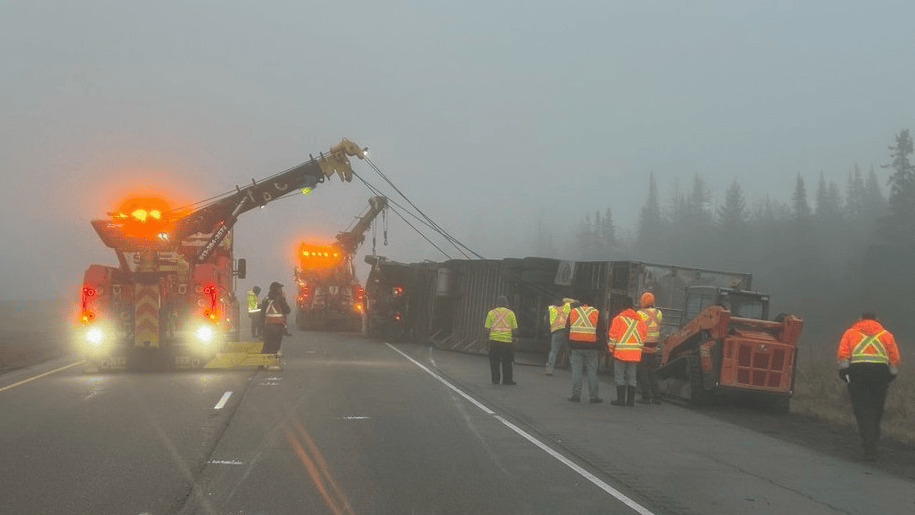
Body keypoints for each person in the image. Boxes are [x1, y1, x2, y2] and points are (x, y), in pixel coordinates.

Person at [836, 312, 901, 461]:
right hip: (880, 375)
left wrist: (844, 374)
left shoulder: (850, 333)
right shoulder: (886, 335)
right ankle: (873, 442)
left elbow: (843, 355)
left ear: (860, 319)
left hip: (857, 374)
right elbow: (894, 359)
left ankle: (868, 445)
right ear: (877, 320)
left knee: (862, 410)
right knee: (877, 409)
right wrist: (891, 376)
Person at [608, 298, 647, 407]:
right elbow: (643, 338)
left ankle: (620, 400)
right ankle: (630, 401)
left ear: (622, 308)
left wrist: (611, 350)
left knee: (620, 375)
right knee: (632, 376)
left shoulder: (618, 319)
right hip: (635, 354)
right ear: (632, 307)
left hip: (620, 353)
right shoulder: (640, 321)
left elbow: (613, 337)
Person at [566, 298, 602, 403]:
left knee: (576, 371)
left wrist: (568, 344)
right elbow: (601, 330)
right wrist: (600, 347)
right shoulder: (596, 312)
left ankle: (576, 395)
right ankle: (593, 396)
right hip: (591, 346)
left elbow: (567, 328)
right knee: (592, 371)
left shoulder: (573, 312)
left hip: (576, 345)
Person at [484, 295, 519, 385]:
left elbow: (486, 329)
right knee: (507, 361)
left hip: (494, 341)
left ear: (497, 304)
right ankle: (507, 380)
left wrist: (486, 339)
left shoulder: (491, 313)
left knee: (494, 361)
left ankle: (495, 379)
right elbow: (515, 329)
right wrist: (514, 338)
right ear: (506, 304)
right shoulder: (511, 313)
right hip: (507, 342)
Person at [636, 291, 663, 404]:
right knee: (653, 373)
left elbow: (637, 330)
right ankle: (657, 397)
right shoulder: (659, 313)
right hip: (654, 348)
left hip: (643, 348)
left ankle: (646, 397)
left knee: (643, 373)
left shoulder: (639, 314)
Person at [259, 282, 290, 368]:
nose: (281, 290)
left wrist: (261, 328)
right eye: (280, 288)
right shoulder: (280, 299)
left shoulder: (266, 299)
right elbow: (287, 310)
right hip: (278, 326)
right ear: (277, 289)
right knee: (275, 345)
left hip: (268, 326)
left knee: (266, 345)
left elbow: (262, 315)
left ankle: (261, 364)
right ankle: (272, 363)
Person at [544, 297, 575, 376]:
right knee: (570, 352)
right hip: (567, 332)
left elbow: (546, 321)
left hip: (556, 332)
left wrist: (546, 331)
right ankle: (574, 369)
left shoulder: (551, 309)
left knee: (554, 351)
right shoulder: (568, 307)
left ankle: (549, 370)